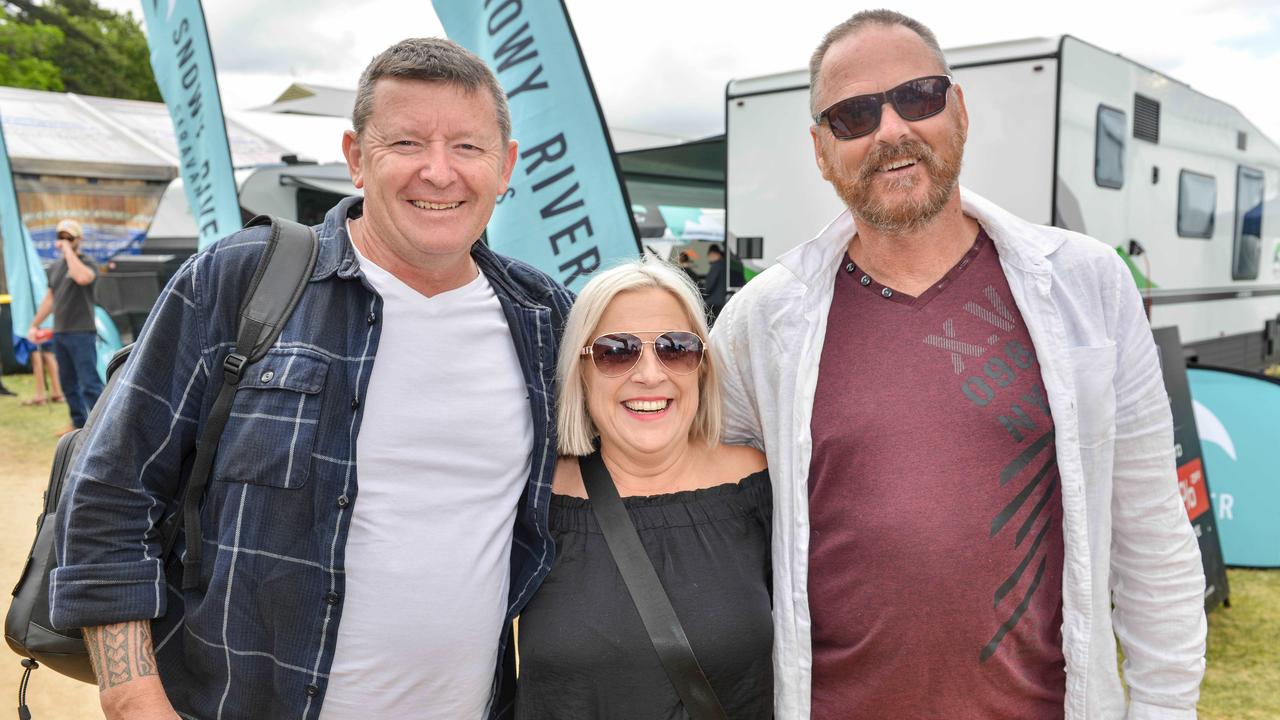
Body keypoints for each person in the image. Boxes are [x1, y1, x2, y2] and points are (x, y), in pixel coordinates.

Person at [51, 38, 573, 720]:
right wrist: (132, 698)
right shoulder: (240, 281)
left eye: (468, 148)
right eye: (407, 143)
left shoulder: (546, 319)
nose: (439, 173)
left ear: (505, 167)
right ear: (357, 158)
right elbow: (111, 493)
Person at [712, 10, 1206, 720]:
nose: (890, 130)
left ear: (959, 110)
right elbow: (710, 529)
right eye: (853, 115)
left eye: (917, 97)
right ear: (821, 151)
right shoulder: (760, 324)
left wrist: (1164, 709)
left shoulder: (1087, 285)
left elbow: (1154, 534)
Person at [516, 258, 771, 719]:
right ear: (582, 370)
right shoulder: (533, 497)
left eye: (676, 348)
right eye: (617, 350)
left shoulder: (758, 486)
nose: (651, 374)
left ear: (702, 366)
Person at [27, 219, 101, 434]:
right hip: (61, 332)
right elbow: (50, 299)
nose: (64, 241)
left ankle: (99, 427)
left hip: (82, 332)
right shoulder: (56, 268)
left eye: (69, 237)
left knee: (90, 383)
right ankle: (79, 424)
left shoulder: (87, 263)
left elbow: (82, 278)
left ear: (79, 239)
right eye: (61, 237)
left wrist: (68, 251)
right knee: (68, 383)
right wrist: (35, 324)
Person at [21, 333, 64, 407]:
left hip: (34, 328)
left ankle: (40, 396)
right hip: (46, 328)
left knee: (36, 354)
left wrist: (34, 326)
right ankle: (57, 393)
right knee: (48, 354)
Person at [701, 243, 727, 320]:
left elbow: (709, 285)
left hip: (713, 303)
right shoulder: (724, 265)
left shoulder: (716, 266)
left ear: (713, 254)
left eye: (708, 256)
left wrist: (702, 293)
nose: (709, 259)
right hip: (721, 301)